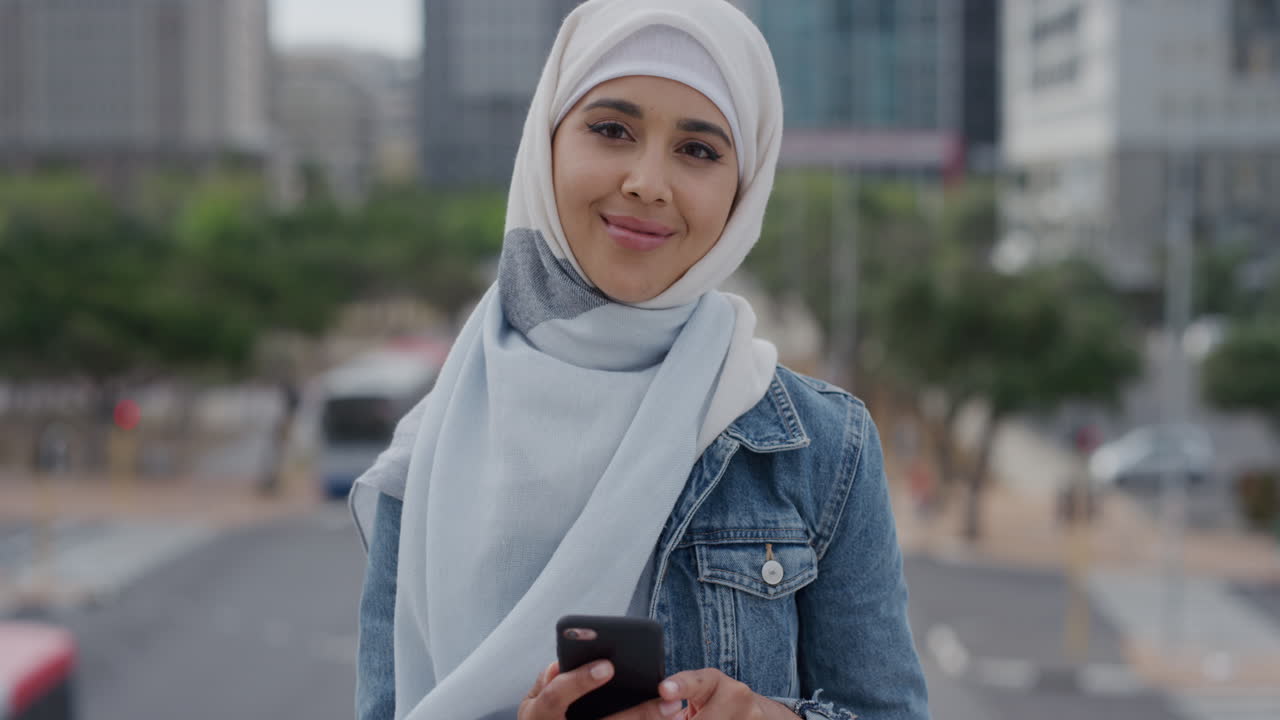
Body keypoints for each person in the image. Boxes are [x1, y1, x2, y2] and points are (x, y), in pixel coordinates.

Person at [349, 1, 930, 719]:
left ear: (742, 190)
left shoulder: (819, 448)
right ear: (546, 144)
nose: (648, 182)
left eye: (699, 150)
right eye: (612, 130)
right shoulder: (428, 458)